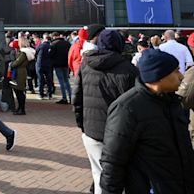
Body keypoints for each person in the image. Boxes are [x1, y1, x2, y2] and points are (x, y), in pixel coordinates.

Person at [100, 49, 194, 193]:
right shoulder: (127, 108)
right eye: (175, 71)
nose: (181, 76)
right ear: (159, 76)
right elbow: (113, 161)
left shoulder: (173, 102)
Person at [72, 29, 139, 194]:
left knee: (99, 175)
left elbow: (77, 99)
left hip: (92, 131)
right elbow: (135, 106)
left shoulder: (85, 65)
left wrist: (82, 125)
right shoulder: (128, 69)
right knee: (119, 179)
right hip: (119, 134)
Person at [8, 38, 31, 115]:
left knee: (19, 91)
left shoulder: (23, 53)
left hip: (19, 73)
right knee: (18, 91)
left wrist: (11, 64)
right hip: (20, 72)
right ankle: (20, 108)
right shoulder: (24, 52)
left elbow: (16, 63)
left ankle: (22, 109)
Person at [50, 32, 71, 104]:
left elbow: (51, 55)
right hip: (66, 64)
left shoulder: (54, 44)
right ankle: (71, 97)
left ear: (54, 37)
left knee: (61, 81)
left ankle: (64, 97)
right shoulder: (67, 43)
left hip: (57, 65)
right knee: (66, 81)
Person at [35, 35, 54, 100]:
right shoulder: (51, 46)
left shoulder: (41, 46)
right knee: (49, 79)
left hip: (40, 64)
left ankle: (41, 94)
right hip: (48, 65)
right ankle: (50, 94)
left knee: (41, 79)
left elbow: (36, 52)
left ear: (45, 39)